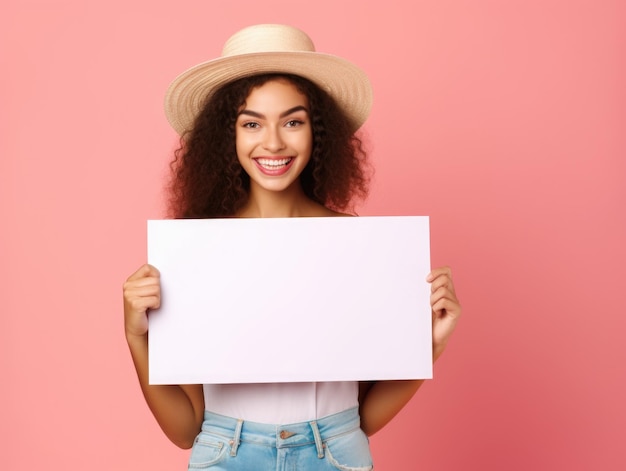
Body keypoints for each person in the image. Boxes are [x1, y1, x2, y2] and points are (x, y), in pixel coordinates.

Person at [123, 24, 461, 470]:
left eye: (293, 121)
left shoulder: (356, 247)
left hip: (335, 454)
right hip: (226, 455)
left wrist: (427, 346)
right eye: (251, 123)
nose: (274, 142)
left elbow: (358, 419)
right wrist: (135, 333)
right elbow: (185, 430)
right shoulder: (195, 253)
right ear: (228, 136)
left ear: (317, 131)